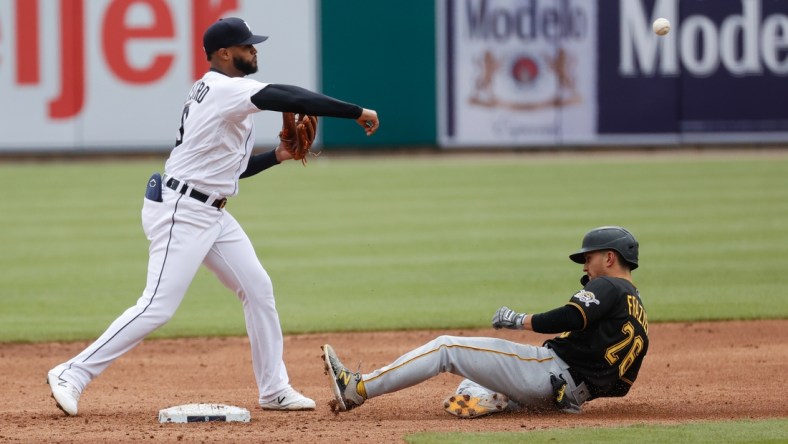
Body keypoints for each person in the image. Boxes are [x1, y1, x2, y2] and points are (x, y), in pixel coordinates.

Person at [47, 17, 379, 416]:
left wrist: (277, 156)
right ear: (224, 54)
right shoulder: (226, 88)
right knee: (157, 305)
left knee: (257, 288)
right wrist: (356, 111)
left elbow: (229, 172)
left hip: (210, 210)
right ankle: (72, 372)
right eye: (246, 46)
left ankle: (274, 389)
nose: (254, 50)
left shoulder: (217, 91)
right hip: (182, 211)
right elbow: (290, 95)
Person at [323, 226, 648, 418]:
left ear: (609, 258)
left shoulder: (609, 285)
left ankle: (357, 388)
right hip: (567, 394)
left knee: (446, 348)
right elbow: (621, 386)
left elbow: (570, 317)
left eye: (589, 258)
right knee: (476, 375)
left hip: (548, 373)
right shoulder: (639, 313)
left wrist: (519, 319)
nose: (586, 267)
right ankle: (497, 397)